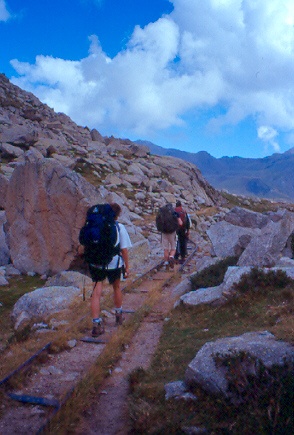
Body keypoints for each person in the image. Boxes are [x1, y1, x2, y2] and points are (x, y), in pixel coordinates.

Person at [81, 203, 132, 337]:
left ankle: (96, 324)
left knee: (96, 292)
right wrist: (127, 267)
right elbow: (124, 250)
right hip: (114, 263)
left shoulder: (96, 225)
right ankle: (119, 315)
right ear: (117, 215)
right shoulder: (119, 227)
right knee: (116, 287)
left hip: (96, 263)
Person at [160, 203, 182, 270]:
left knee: (165, 248)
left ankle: (166, 262)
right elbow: (180, 223)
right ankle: (171, 257)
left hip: (164, 233)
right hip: (172, 233)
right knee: (173, 247)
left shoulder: (162, 214)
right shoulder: (175, 213)